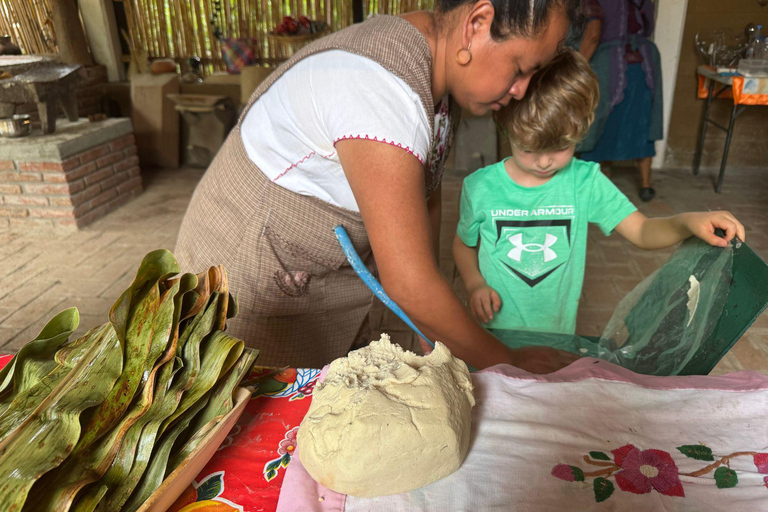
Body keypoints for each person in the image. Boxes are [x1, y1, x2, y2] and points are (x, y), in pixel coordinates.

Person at [174, 0, 583, 372]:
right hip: (247, 271)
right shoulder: (381, 87)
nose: (521, 89)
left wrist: (431, 324)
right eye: (520, 68)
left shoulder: (434, 74)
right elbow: (408, 281)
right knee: (260, 412)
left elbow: (425, 197)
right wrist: (508, 363)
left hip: (304, 268)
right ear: (477, 23)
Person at [453, 50, 745, 335]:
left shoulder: (585, 182)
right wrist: (475, 283)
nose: (544, 162)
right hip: (493, 334)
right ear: (505, 124)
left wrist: (687, 222)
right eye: (529, 149)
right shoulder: (479, 187)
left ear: (581, 130)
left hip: (557, 335)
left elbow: (642, 231)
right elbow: (464, 244)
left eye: (561, 147)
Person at [576, 0, 662, 202]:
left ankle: (597, 185)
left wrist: (575, 67)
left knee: (599, 123)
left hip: (610, 64)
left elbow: (593, 35)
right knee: (641, 124)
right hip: (644, 64)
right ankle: (646, 185)